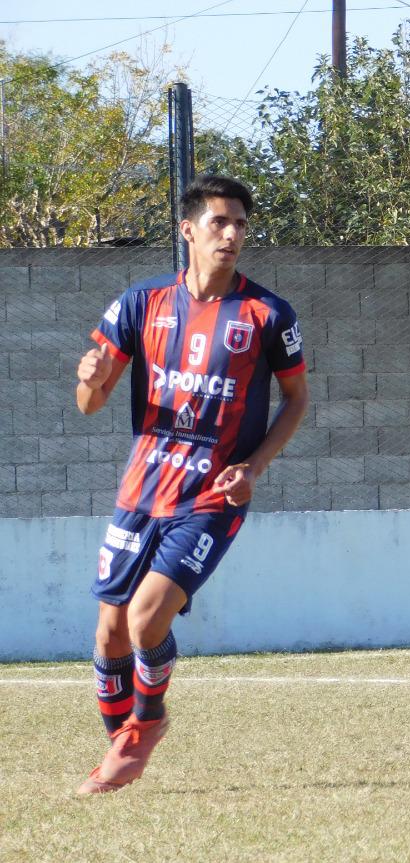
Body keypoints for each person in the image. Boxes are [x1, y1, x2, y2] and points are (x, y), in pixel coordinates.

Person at [73, 174, 309, 794]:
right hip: (142, 488)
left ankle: (146, 724)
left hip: (212, 495)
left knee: (147, 619)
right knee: (108, 631)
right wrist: (92, 376)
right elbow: (89, 405)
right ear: (188, 230)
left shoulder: (267, 315)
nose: (231, 235)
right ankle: (118, 743)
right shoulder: (140, 304)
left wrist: (252, 468)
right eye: (218, 223)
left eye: (240, 225)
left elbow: (295, 400)